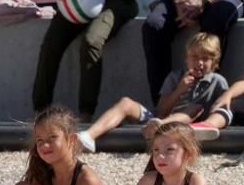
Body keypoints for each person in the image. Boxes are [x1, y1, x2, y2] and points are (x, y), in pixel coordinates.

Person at [77, 32, 228, 153]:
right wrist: (179, 89)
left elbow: (221, 112)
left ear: (214, 62)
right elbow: (161, 110)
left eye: (205, 59)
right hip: (156, 122)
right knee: (125, 103)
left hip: (187, 127)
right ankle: (89, 136)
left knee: (194, 108)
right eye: (195, 57)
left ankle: (161, 127)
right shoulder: (175, 77)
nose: (199, 63)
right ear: (186, 59)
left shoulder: (218, 81)